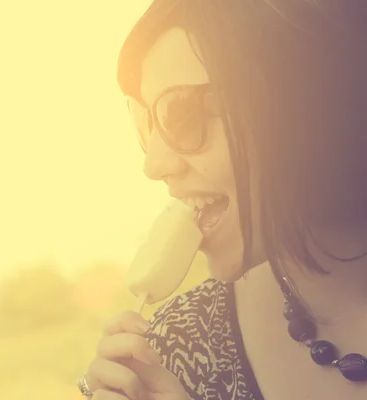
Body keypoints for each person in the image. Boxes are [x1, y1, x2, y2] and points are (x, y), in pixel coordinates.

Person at [76, 0, 367, 399]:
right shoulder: (172, 353)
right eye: (145, 122)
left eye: (179, 113)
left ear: (302, 104)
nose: (154, 164)